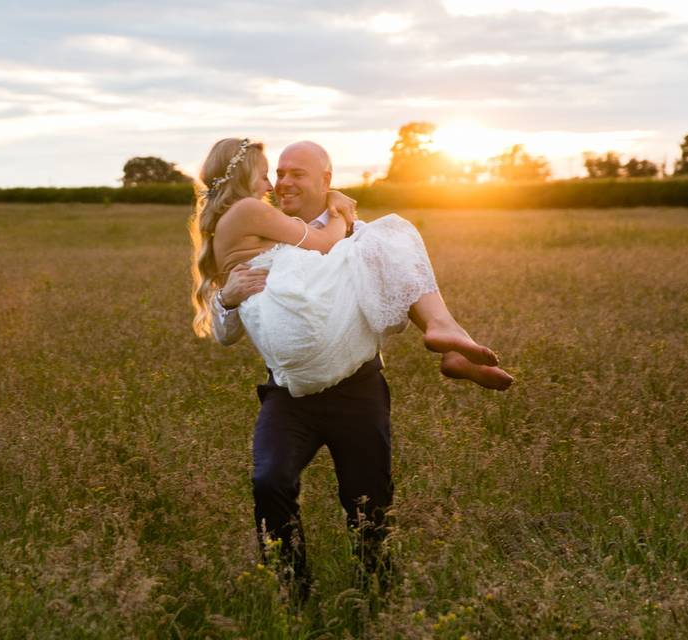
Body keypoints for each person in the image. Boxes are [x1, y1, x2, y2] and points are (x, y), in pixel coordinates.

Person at [189, 137, 512, 597]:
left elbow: (365, 256)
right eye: (275, 173)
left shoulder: (350, 231)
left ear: (326, 180)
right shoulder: (269, 227)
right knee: (269, 480)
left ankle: (375, 595)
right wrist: (227, 297)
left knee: (369, 502)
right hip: (290, 395)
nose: (279, 182)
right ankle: (292, 593)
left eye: (294, 174)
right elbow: (225, 331)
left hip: (356, 389)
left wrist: (343, 218)